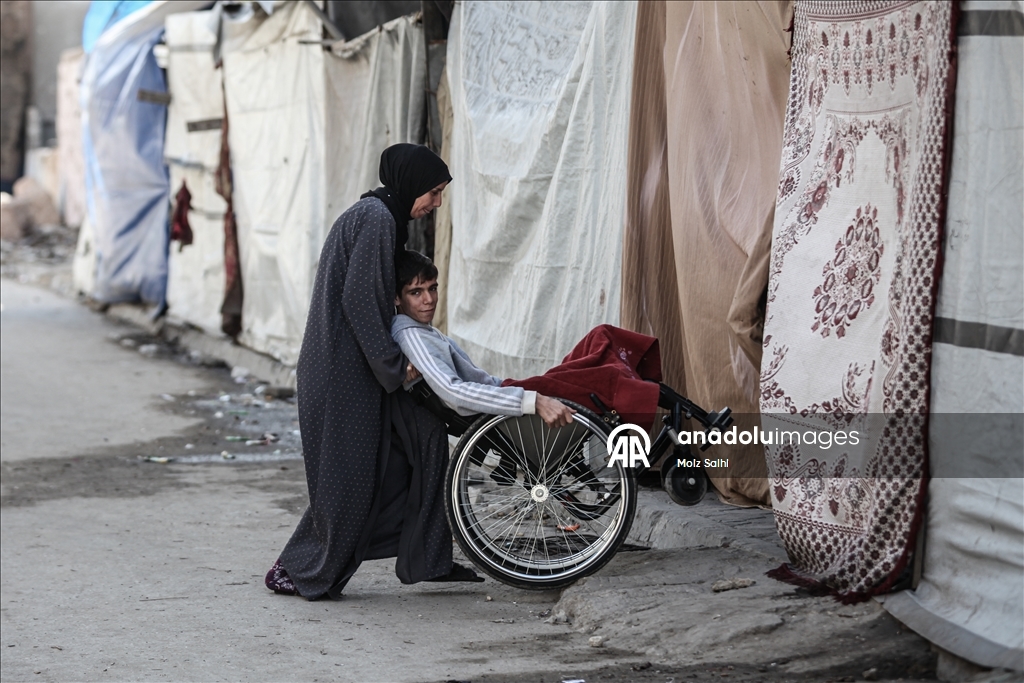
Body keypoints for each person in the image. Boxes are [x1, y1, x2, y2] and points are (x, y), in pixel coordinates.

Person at [265, 144, 482, 600]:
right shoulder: (377, 219)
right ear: (410, 186)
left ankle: (429, 557)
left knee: (424, 436)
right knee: (352, 476)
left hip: (356, 366)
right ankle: (298, 568)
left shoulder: (380, 217)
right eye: (434, 193)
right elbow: (360, 301)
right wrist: (395, 365)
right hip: (343, 372)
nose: (435, 204)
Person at [391, 250, 577, 428]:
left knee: (599, 341)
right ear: (396, 298)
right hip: (500, 406)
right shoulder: (412, 336)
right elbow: (454, 392)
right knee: (597, 365)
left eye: (432, 288)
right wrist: (532, 400)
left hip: (502, 389)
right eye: (416, 292)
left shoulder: (423, 330)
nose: (429, 299)